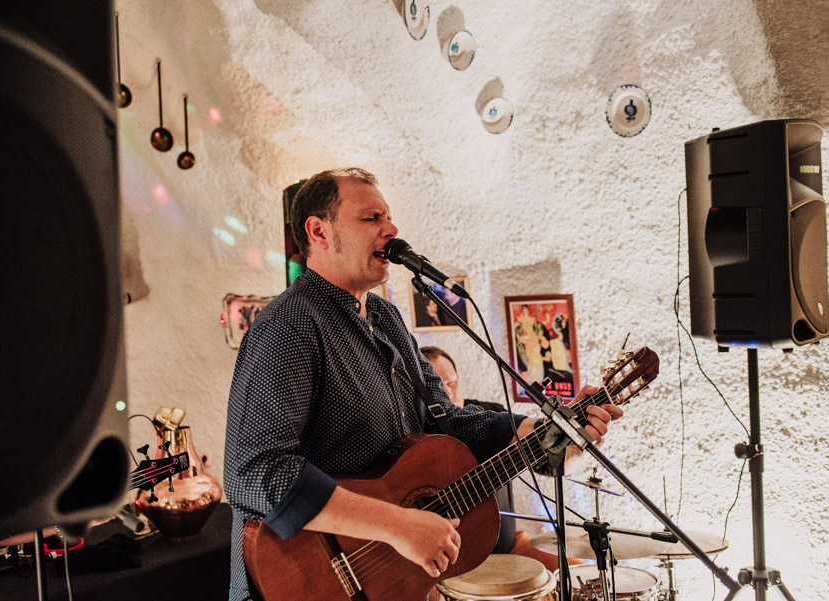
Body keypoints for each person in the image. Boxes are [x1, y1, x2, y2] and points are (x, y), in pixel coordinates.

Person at [223, 167, 622, 601]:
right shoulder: (291, 325)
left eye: (388, 217)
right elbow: (254, 472)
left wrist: (534, 432)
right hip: (304, 582)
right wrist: (398, 526)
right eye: (371, 218)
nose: (391, 229)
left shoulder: (387, 320)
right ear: (319, 232)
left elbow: (447, 422)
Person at [420, 346, 586, 573]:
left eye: (452, 383)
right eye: (438, 387)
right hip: (448, 563)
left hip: (509, 548)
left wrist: (577, 447)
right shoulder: (415, 435)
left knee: (577, 573)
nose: (448, 394)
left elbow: (554, 465)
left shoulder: (490, 416)